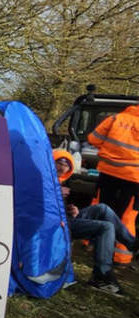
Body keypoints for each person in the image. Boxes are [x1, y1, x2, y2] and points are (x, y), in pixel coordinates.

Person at [56, 150, 137, 295]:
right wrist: (56, 192)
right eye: (59, 163)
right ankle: (102, 276)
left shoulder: (60, 181)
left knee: (103, 209)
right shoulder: (45, 182)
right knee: (105, 227)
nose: (62, 168)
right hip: (57, 226)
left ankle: (135, 246)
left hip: (65, 218)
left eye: (66, 165)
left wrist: (71, 209)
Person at [88, 106, 139, 266]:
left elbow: (93, 139)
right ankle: (120, 257)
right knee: (127, 215)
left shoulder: (116, 118)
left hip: (107, 171)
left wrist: (111, 151)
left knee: (100, 207)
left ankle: (89, 242)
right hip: (134, 177)